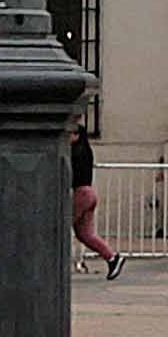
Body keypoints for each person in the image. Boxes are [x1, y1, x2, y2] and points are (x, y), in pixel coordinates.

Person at [66, 113, 124, 279]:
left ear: (76, 136)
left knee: (60, 228)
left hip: (81, 193)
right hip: (89, 193)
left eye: (70, 134)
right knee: (85, 234)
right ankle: (112, 258)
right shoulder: (85, 151)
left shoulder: (73, 154)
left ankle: (52, 265)